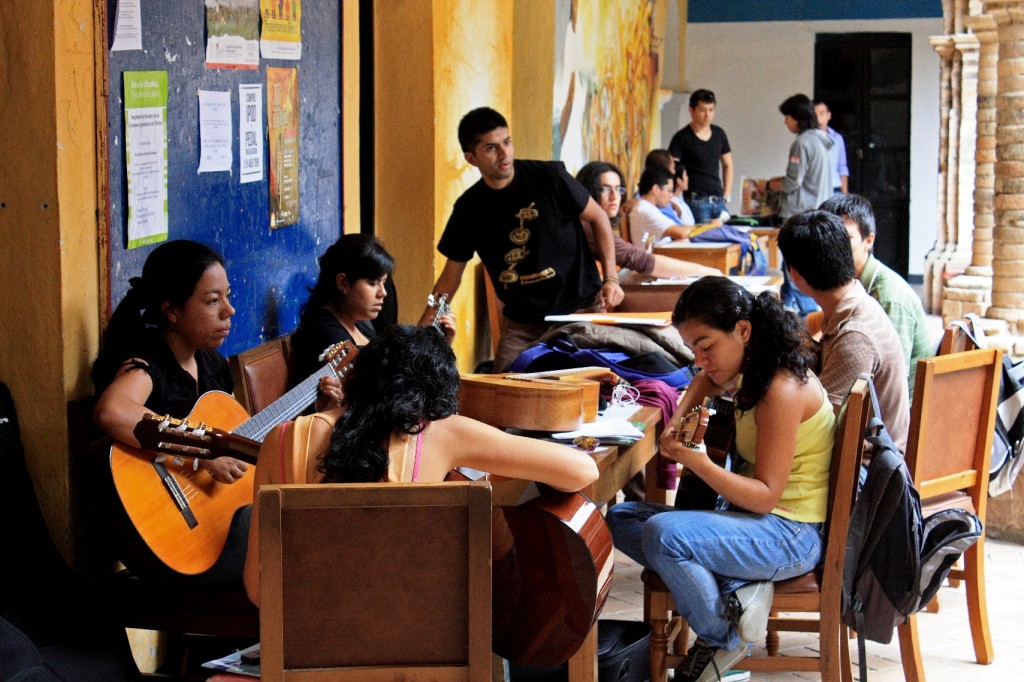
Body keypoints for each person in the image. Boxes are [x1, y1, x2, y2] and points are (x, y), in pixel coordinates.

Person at [243, 324, 600, 606]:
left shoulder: (282, 438)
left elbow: (258, 589)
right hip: (416, 635)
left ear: (358, 375)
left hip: (303, 637)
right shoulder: (444, 433)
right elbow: (583, 471)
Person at [606, 276, 835, 682]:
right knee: (620, 519)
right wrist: (680, 419)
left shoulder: (781, 388)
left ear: (743, 330)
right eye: (693, 348)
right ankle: (740, 591)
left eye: (706, 345)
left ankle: (722, 635)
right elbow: (706, 379)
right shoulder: (753, 366)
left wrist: (697, 462)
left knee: (663, 534)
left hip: (790, 534)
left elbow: (765, 497)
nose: (699, 359)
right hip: (756, 523)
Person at [91, 239, 250, 585]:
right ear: (172, 311)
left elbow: (238, 441)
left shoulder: (212, 364)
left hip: (210, 526)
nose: (229, 311)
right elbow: (112, 411)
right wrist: (200, 448)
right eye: (212, 301)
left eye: (228, 296)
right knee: (286, 536)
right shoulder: (147, 364)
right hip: (171, 541)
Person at [420, 107, 623, 372]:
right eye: (491, 148)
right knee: (503, 390)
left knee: (590, 384)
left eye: (507, 142)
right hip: (523, 325)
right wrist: (420, 333)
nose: (504, 154)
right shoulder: (469, 209)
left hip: (580, 310)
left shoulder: (550, 178)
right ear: (471, 158)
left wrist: (611, 278)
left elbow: (599, 218)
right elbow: (450, 278)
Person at [777, 210, 910, 453]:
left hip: (867, 474)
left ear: (794, 275)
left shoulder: (855, 337)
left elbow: (819, 428)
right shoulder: (851, 305)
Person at [289, 234, 455, 409]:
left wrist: (442, 344)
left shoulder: (358, 321)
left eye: (383, 283)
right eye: (373, 283)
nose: (382, 292)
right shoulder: (323, 331)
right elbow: (382, 386)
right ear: (343, 283)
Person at [820, 193, 933, 393]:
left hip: (897, 415)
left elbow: (893, 380)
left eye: (845, 237)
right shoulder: (849, 284)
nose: (834, 247)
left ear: (868, 240)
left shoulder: (888, 296)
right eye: (829, 237)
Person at [575, 161, 718, 279]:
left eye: (618, 189)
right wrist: (707, 272)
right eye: (605, 189)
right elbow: (641, 260)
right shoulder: (588, 224)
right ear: (587, 191)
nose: (614, 196)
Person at [768, 94, 832, 317]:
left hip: (799, 215)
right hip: (816, 212)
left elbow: (793, 181)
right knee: (793, 273)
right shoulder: (821, 140)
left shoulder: (802, 142)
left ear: (797, 117)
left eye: (787, 116)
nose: (785, 122)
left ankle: (809, 318)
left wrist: (769, 185)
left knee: (797, 273)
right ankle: (781, 317)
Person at [668, 89, 734, 223]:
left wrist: (727, 194)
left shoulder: (719, 134)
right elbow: (672, 166)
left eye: (711, 110)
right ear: (692, 111)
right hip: (696, 200)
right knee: (703, 238)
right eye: (702, 110)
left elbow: (728, 164)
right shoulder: (682, 137)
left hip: (718, 199)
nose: (707, 115)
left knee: (728, 235)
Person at [628, 166, 694, 247]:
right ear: (655, 189)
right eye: (669, 191)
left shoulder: (646, 207)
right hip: (658, 257)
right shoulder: (646, 210)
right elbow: (682, 233)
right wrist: (708, 228)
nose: (671, 195)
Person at [644, 149, 697, 226]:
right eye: (673, 168)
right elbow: (679, 232)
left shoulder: (663, 200)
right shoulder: (658, 201)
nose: (674, 172)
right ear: (664, 170)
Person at [813, 99, 849, 194]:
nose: (818, 118)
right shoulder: (807, 138)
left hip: (834, 188)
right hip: (814, 190)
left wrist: (844, 195)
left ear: (829, 115)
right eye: (815, 115)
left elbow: (842, 167)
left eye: (822, 114)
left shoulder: (837, 138)